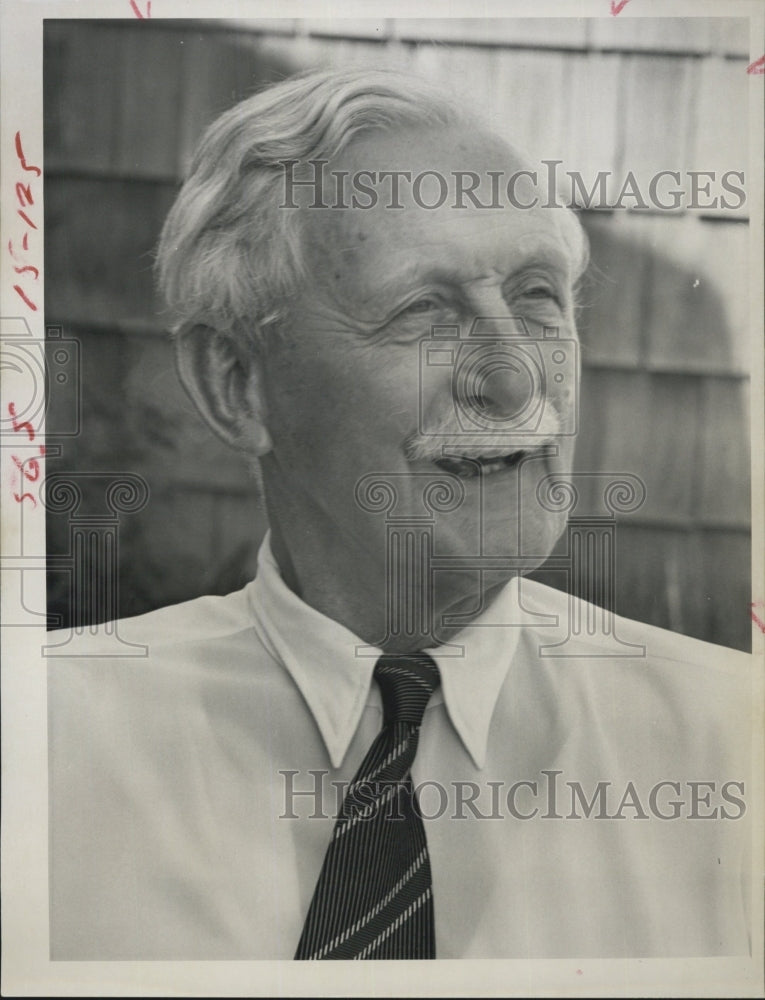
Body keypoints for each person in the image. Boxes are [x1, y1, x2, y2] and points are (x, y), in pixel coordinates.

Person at [48, 68, 752, 960]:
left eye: (537, 297)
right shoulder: (45, 741)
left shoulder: (732, 744)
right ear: (237, 384)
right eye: (424, 311)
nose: (512, 377)